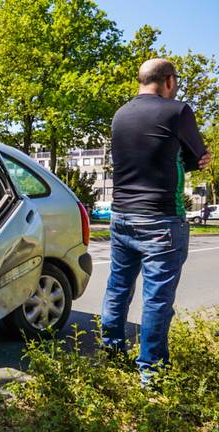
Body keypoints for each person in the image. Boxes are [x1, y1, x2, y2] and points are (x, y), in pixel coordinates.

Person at [101, 58, 211, 386]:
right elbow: (199, 153)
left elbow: (147, 158)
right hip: (161, 219)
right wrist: (194, 160)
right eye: (175, 81)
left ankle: (111, 352)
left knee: (118, 288)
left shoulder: (120, 115)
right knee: (157, 299)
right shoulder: (177, 111)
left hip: (121, 217)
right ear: (167, 81)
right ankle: (151, 373)